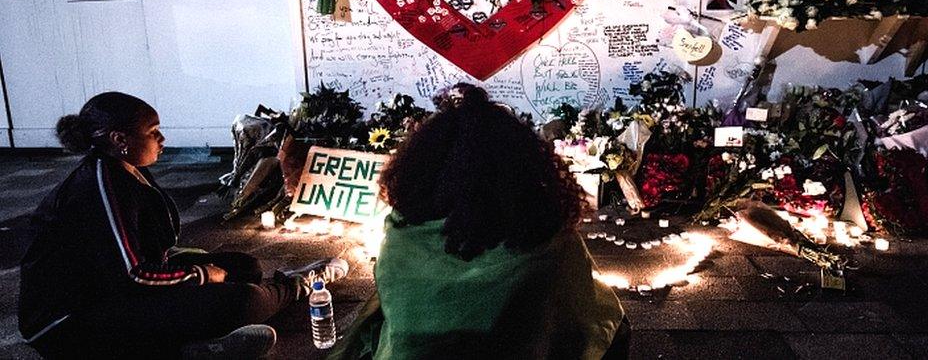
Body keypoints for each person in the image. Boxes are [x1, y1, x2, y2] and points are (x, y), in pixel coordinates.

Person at [18, 92, 348, 359]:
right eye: (152, 131)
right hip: (73, 322)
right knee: (244, 301)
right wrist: (199, 275)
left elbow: (141, 251)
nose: (162, 139)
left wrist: (198, 267)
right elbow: (132, 274)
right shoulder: (102, 184)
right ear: (120, 139)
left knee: (244, 266)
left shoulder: (123, 167)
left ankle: (199, 341)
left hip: (113, 289)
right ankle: (298, 285)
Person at [329, 84, 628, 360]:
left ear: (424, 165)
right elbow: (582, 322)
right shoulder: (548, 241)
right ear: (521, 167)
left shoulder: (402, 235)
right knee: (612, 323)